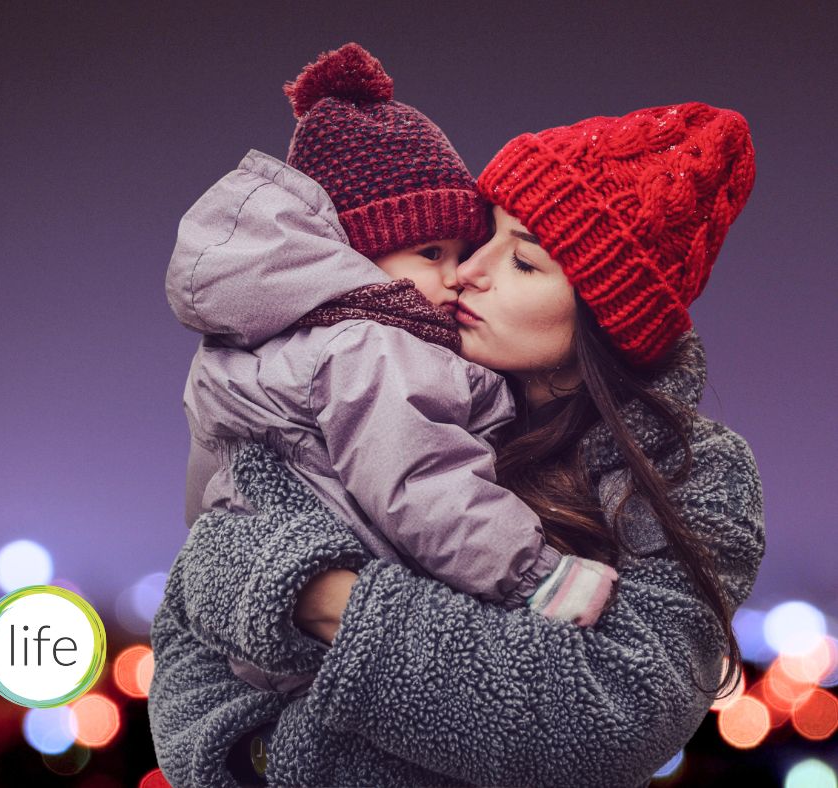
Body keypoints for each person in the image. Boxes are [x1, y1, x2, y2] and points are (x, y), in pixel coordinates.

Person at [148, 100, 764, 787]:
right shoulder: (358, 396)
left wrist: (317, 598)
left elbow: (608, 720)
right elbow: (188, 683)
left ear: (604, 318)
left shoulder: (689, 472)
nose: (470, 269)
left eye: (524, 262)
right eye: (486, 236)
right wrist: (251, 755)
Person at [164, 43, 618, 700]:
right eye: (431, 251)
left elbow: (206, 505)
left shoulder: (262, 347)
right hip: (357, 641)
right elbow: (420, 482)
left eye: (461, 251)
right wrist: (538, 575)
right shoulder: (376, 348)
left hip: (276, 640)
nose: (457, 274)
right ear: (354, 253)